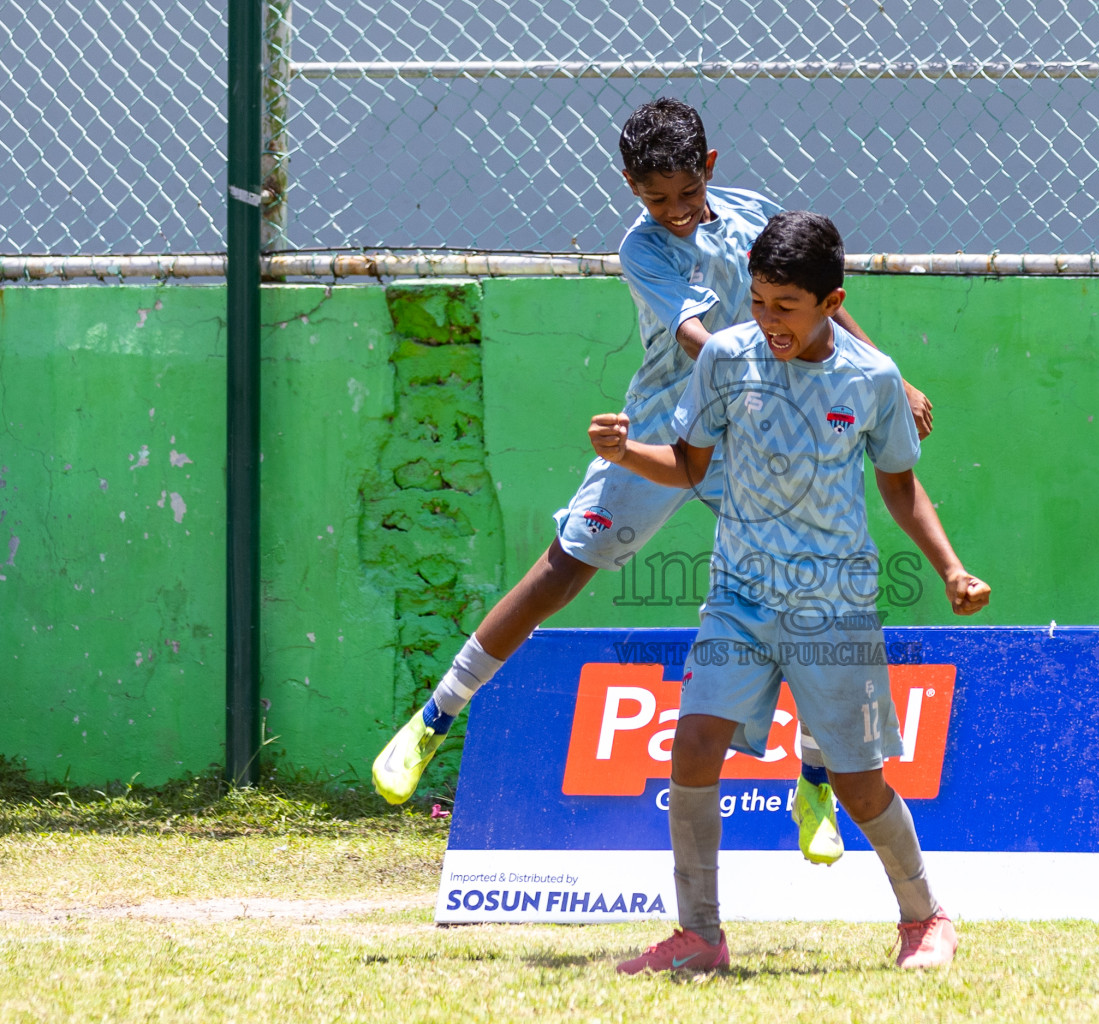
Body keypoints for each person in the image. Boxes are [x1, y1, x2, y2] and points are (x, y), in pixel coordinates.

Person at [371, 99, 933, 868]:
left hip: (758, 440)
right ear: (631, 188)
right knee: (561, 570)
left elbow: (824, 301)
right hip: (664, 431)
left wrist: (884, 374)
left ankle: (814, 783)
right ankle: (437, 715)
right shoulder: (642, 251)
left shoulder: (755, 217)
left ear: (708, 169)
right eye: (651, 198)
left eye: (682, 194)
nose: (671, 212)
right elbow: (701, 339)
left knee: (810, 588)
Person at [590, 211, 990, 972]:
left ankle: (925, 917)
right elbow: (690, 466)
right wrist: (627, 452)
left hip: (831, 604)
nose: (768, 321)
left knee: (859, 781)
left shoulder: (872, 379)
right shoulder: (726, 359)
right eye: (761, 303)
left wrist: (950, 569)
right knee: (692, 748)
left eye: (787, 308)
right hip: (739, 597)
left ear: (832, 303)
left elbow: (902, 490)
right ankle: (701, 937)